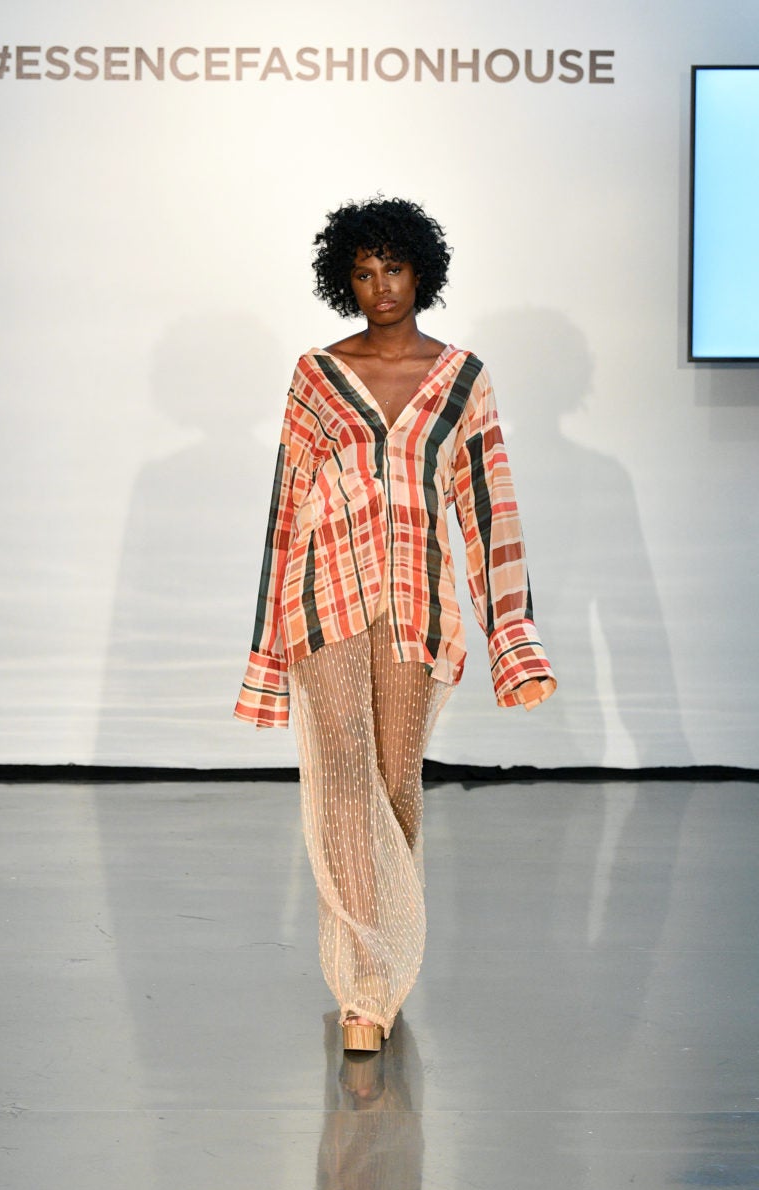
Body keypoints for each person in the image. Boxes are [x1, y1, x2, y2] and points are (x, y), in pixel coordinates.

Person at [234, 197, 556, 1051]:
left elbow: (488, 509)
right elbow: (285, 509)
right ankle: (365, 990)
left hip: (420, 603)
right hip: (323, 596)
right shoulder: (316, 375)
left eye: (395, 268)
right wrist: (265, 653)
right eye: (364, 272)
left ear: (422, 273)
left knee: (393, 780)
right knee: (343, 774)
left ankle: (384, 957)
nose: (381, 286)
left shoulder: (462, 378)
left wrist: (512, 639)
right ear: (344, 281)